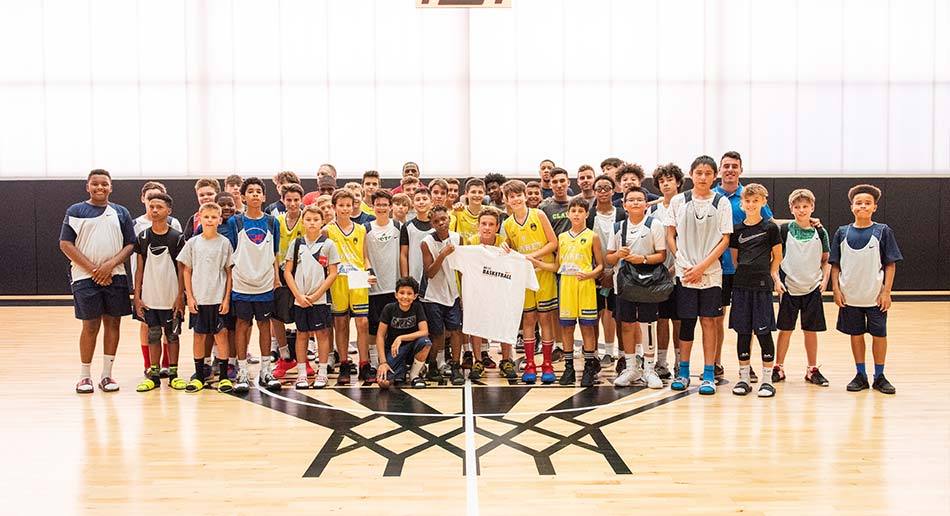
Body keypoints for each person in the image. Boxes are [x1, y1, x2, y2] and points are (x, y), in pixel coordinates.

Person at [60, 169, 136, 394]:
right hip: (85, 277)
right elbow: (65, 244)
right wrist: (94, 269)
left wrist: (109, 265)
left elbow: (130, 244)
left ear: (111, 187)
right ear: (88, 186)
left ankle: (107, 375)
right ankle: (84, 377)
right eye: (95, 184)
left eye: (105, 184)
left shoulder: (121, 212)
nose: (100, 187)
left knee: (113, 323)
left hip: (116, 276)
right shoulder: (75, 210)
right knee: (90, 325)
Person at [664, 156, 733, 395]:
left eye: (707, 173)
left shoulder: (721, 202)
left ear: (715, 176)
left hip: (711, 273)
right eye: (698, 172)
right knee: (687, 322)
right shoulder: (678, 201)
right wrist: (683, 263)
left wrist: (702, 266)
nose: (703, 177)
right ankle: (683, 373)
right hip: (684, 272)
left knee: (709, 321)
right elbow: (670, 235)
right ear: (691, 174)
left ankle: (709, 374)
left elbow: (725, 239)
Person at [830, 184, 901, 395]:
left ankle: (879, 376)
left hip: (875, 297)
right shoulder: (842, 232)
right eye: (858, 203)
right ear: (852, 207)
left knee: (879, 335)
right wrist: (836, 288)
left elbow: (890, 264)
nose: (863, 206)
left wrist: (886, 291)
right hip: (850, 296)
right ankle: (860, 374)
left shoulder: (882, 231)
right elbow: (835, 264)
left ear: (875, 207)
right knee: (856, 334)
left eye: (867, 203)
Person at [712, 150, 773, 382]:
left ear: (741, 170)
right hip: (717, 268)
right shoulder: (711, 196)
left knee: (751, 321)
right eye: (725, 166)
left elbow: (769, 226)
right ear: (720, 170)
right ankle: (716, 363)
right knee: (717, 319)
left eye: (734, 166)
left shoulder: (749, 196)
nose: (729, 170)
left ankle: (750, 367)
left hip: (744, 273)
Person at [225, 177, 282, 394]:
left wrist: (276, 278)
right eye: (251, 191)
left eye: (259, 191)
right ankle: (241, 372)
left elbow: (274, 253)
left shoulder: (271, 222)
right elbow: (230, 255)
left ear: (264, 196)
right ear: (244, 196)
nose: (255, 194)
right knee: (242, 325)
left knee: (265, 325)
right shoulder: (235, 223)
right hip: (242, 284)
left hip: (265, 283)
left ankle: (266, 371)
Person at [607, 186, 667, 389]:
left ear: (645, 204)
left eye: (639, 200)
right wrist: (619, 256)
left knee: (648, 325)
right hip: (624, 284)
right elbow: (609, 257)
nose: (635, 203)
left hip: (648, 284)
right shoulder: (617, 227)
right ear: (624, 205)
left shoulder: (654, 225)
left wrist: (641, 259)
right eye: (630, 200)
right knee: (627, 324)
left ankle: (649, 369)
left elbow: (662, 255)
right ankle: (631, 367)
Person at [727, 184, 783, 397]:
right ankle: (743, 378)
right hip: (741, 286)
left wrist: (771, 275)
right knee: (743, 331)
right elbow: (735, 257)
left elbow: (777, 256)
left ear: (763, 202)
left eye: (755, 201)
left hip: (762, 288)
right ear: (742, 203)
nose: (751, 204)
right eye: (747, 201)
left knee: (763, 332)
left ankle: (768, 380)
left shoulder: (770, 228)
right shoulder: (737, 229)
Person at [502, 180, 559, 384]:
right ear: (506, 200)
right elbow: (510, 250)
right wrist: (507, 250)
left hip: (543, 272)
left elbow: (554, 243)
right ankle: (530, 364)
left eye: (519, 195)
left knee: (545, 319)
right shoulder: (508, 224)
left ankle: (547, 364)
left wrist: (532, 257)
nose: (516, 199)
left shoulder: (539, 214)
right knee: (528, 320)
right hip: (524, 277)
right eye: (511, 196)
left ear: (525, 196)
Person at [773, 189, 831, 386]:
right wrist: (776, 280)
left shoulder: (820, 231)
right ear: (791, 209)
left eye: (805, 206)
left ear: (812, 207)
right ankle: (778, 367)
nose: (801, 210)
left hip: (812, 287)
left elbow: (826, 260)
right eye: (797, 207)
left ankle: (812, 369)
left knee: (810, 331)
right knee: (785, 329)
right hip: (789, 288)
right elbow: (776, 258)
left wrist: (824, 281)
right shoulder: (785, 230)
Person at [177, 202, 234, 393]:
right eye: (206, 217)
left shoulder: (224, 243)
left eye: (213, 217)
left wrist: (226, 299)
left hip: (218, 299)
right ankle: (199, 375)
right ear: (199, 218)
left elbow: (229, 273)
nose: (210, 220)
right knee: (199, 336)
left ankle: (224, 376)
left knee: (221, 335)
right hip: (199, 299)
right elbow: (187, 271)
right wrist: (189, 297)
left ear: (220, 219)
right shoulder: (193, 243)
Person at [133, 193, 186, 392]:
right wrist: (137, 297)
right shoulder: (143, 237)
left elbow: (182, 269)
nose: (155, 210)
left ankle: (173, 373)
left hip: (171, 297)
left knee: (172, 336)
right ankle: (153, 374)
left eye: (159, 207)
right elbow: (139, 269)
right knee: (153, 335)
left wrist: (180, 297)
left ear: (169, 211)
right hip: (150, 297)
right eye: (152, 206)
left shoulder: (177, 237)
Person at [548, 197, 604, 386]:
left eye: (581, 211)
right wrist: (532, 261)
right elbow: (556, 266)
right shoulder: (562, 238)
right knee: (567, 328)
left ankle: (589, 367)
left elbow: (600, 266)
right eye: (574, 211)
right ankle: (569, 368)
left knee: (587, 327)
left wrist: (589, 275)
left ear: (587, 214)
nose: (577, 214)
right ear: (568, 214)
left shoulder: (592, 236)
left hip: (585, 285)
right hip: (566, 285)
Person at [284, 204, 340, 389]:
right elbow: (287, 272)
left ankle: (322, 372)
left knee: (322, 334)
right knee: (302, 334)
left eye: (316, 219)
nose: (312, 223)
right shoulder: (296, 244)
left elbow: (333, 273)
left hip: (320, 299)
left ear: (322, 221)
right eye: (308, 219)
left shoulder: (328, 244)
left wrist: (316, 295)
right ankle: (301, 374)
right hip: (300, 299)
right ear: (303, 221)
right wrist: (298, 295)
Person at [325, 189, 374, 384]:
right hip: (338, 279)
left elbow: (364, 257)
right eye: (341, 205)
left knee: (362, 323)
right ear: (334, 207)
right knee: (341, 323)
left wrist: (370, 273)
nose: (345, 209)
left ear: (353, 206)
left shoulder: (361, 229)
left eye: (348, 205)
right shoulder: (327, 230)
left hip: (358, 278)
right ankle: (344, 364)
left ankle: (364, 364)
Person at [649, 163, 685, 379]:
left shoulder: (686, 206)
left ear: (678, 182)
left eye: (669, 179)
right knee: (661, 320)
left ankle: (681, 362)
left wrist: (676, 266)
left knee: (679, 320)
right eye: (661, 181)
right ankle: (661, 363)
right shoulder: (653, 210)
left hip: (682, 271)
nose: (665, 184)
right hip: (659, 274)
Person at [421, 206, 464, 384]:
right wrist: (442, 255)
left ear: (449, 219)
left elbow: (462, 268)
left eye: (444, 219)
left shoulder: (457, 238)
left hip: (452, 292)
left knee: (455, 330)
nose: (441, 223)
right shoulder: (426, 242)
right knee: (437, 333)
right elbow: (429, 272)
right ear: (431, 223)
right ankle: (432, 366)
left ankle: (455, 366)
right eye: (437, 221)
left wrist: (463, 293)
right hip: (432, 294)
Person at [587, 174, 625, 370]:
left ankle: (614, 353)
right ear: (594, 192)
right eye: (599, 188)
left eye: (606, 188)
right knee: (594, 313)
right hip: (594, 271)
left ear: (613, 190)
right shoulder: (589, 214)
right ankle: (593, 354)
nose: (603, 191)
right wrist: (598, 269)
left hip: (617, 272)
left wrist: (611, 270)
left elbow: (625, 242)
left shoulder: (621, 213)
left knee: (614, 313)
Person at [364, 190, 403, 369]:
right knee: (374, 327)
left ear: (390, 206)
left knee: (393, 327)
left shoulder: (398, 226)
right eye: (378, 204)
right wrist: (368, 272)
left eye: (384, 204)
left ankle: (392, 360)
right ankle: (374, 361)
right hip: (374, 288)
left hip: (393, 286)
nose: (381, 207)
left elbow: (404, 254)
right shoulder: (366, 228)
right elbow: (363, 255)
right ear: (373, 206)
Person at [271, 183, 306, 379]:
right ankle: (284, 354)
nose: (292, 204)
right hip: (281, 273)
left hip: (301, 275)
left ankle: (305, 358)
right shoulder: (276, 221)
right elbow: (274, 252)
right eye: (289, 200)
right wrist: (276, 276)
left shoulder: (307, 219)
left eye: (296, 200)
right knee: (276, 315)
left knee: (302, 313)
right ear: (283, 201)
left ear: (301, 200)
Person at [375, 277, 432, 389]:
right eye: (402, 293)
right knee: (384, 383)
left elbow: (425, 331)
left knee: (426, 342)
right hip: (394, 350)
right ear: (396, 294)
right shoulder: (389, 308)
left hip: (412, 346)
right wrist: (382, 362)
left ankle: (414, 375)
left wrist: (401, 337)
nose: (405, 296)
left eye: (409, 293)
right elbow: (380, 336)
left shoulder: (417, 307)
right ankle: (401, 370)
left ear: (415, 296)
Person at [538, 167, 573, 236]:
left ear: (568, 183)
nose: (559, 185)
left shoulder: (576, 204)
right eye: (554, 182)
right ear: (550, 185)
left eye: (562, 181)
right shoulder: (543, 207)